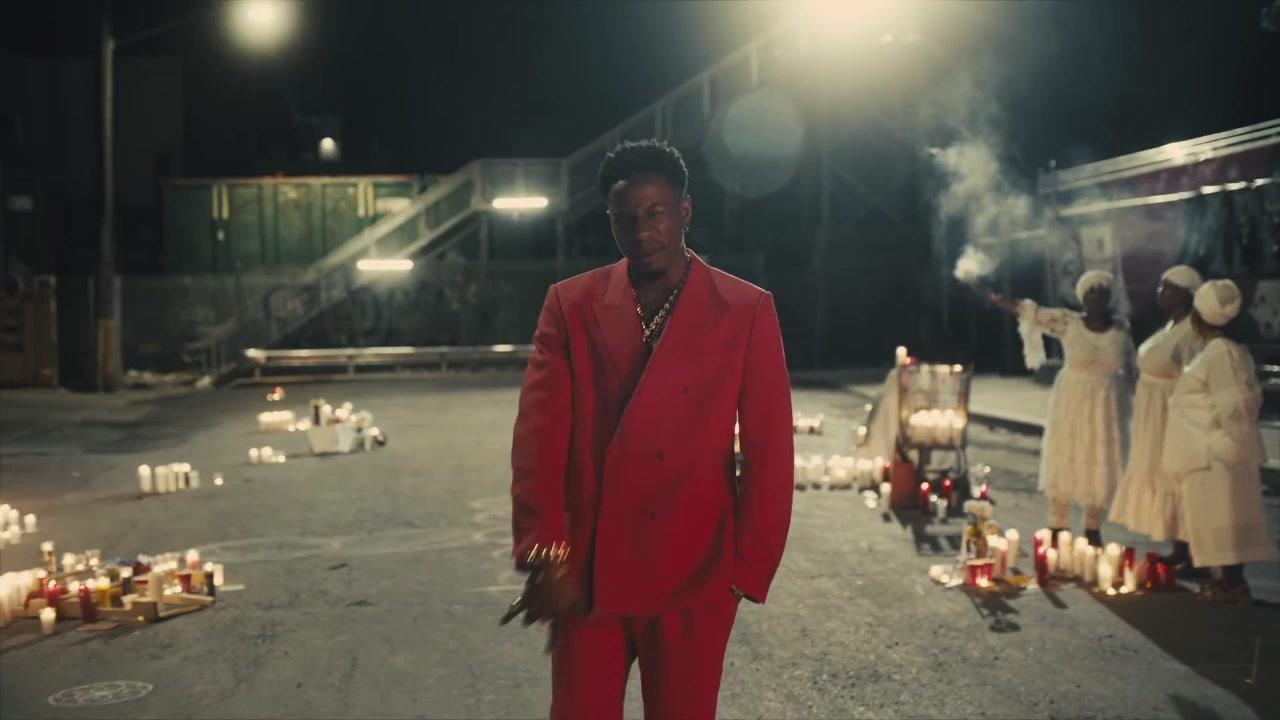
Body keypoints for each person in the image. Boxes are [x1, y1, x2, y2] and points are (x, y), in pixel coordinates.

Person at [505, 139, 795, 720]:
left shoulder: (745, 309)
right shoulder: (570, 304)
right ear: (609, 219)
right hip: (588, 571)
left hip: (696, 573)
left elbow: (771, 451)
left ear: (684, 210)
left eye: (656, 213)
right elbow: (539, 440)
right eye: (625, 218)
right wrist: (546, 554)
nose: (641, 232)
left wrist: (745, 570)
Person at [973, 270, 1136, 547]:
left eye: (1103, 292)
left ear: (1110, 297)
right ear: (1082, 297)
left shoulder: (1121, 330)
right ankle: (1058, 525)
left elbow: (1132, 371)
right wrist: (990, 295)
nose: (1097, 297)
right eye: (1091, 292)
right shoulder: (1068, 322)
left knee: (1100, 461)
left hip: (1106, 409)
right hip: (1072, 402)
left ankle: (1092, 528)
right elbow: (1028, 311)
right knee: (1066, 457)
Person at [1162, 279, 1275, 603]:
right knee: (1218, 517)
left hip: (1215, 455)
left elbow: (1234, 407)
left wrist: (1212, 435)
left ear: (1199, 316)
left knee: (1222, 517)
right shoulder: (1222, 351)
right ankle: (1227, 581)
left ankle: (1232, 584)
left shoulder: (1220, 353)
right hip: (1212, 452)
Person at [1109, 266, 1206, 575]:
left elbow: (1195, 375)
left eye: (1168, 288)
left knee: (1176, 474)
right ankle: (1179, 547)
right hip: (1153, 410)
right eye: (1161, 286)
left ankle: (1193, 551)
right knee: (1160, 471)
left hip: (1171, 410)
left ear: (1186, 294)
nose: (1160, 292)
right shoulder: (1170, 325)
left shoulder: (1193, 331)